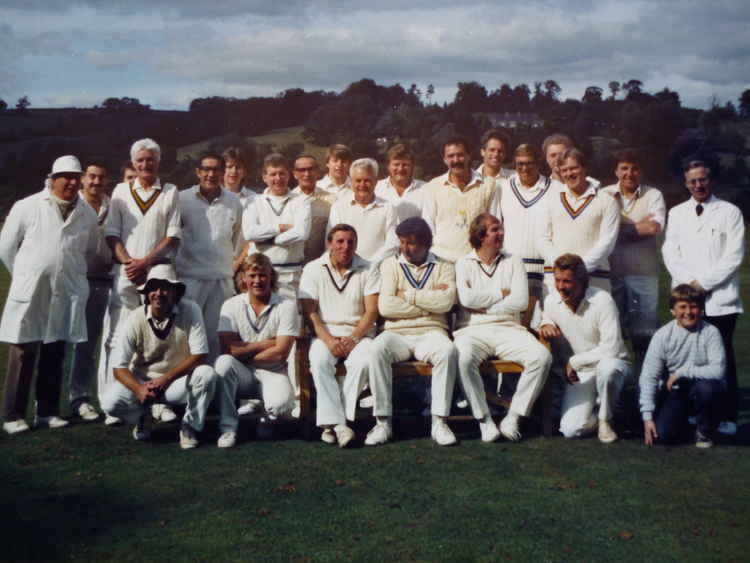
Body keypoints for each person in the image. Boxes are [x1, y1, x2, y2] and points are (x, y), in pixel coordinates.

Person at [1, 156, 98, 434]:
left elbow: (89, 251)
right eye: (65, 176)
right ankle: (13, 415)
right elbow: (6, 247)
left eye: (75, 177)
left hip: (66, 291)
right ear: (52, 178)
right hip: (31, 292)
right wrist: (26, 275)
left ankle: (47, 412)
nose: (71, 181)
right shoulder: (28, 206)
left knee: (55, 350)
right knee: (23, 350)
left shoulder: (87, 213)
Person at [662, 160, 744, 436]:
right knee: (689, 357)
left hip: (720, 299)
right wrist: (689, 286)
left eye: (703, 179)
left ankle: (726, 417)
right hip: (687, 300)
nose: (698, 185)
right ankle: (695, 414)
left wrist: (703, 284)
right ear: (685, 183)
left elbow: (734, 256)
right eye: (692, 181)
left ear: (711, 180)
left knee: (722, 360)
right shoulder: (676, 213)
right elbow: (670, 252)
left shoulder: (730, 212)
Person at [102, 138, 182, 425]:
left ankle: (159, 401)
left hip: (159, 272)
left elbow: (172, 235)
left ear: (158, 162)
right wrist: (128, 262)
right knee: (120, 336)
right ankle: (116, 397)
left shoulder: (171, 191)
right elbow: (112, 233)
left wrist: (145, 262)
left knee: (161, 335)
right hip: (127, 272)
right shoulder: (121, 191)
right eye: (140, 160)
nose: (145, 165)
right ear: (133, 162)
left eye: (150, 160)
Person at [454, 214, 552, 442]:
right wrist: (500, 294)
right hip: (472, 330)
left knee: (542, 357)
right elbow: (466, 299)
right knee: (462, 358)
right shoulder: (463, 263)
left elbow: (519, 301)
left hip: (510, 329)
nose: (501, 234)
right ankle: (484, 420)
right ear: (480, 236)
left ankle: (513, 417)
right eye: (495, 230)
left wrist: (487, 309)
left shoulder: (513, 260)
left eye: (501, 229)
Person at [100, 266, 217, 449]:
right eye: (153, 288)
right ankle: (142, 416)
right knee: (110, 403)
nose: (159, 293)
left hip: (176, 382)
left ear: (175, 292)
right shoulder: (135, 317)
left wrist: (167, 378)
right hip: (144, 383)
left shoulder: (190, 310)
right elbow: (118, 367)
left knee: (206, 374)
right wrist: (139, 389)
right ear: (146, 293)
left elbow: (200, 355)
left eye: (165, 288)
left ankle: (189, 426)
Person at [366, 217, 459, 446]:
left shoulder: (444, 266)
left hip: (432, 332)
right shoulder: (389, 265)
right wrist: (428, 302)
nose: (406, 248)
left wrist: (406, 295)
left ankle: (439, 422)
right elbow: (385, 306)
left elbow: (446, 303)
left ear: (426, 243)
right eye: (403, 242)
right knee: (376, 349)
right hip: (396, 332)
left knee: (447, 351)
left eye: (413, 243)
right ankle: (383, 423)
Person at [299, 224, 379, 447]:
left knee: (364, 361)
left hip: (359, 334)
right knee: (319, 361)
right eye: (340, 241)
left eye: (350, 242)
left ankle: (333, 423)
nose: (345, 246)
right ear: (329, 243)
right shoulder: (313, 268)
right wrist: (328, 340)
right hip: (326, 334)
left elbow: (371, 310)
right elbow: (310, 312)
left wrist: (353, 338)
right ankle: (341, 425)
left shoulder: (369, 268)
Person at [539, 254, 631, 443]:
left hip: (614, 365)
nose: (560, 287)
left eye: (567, 281)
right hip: (581, 373)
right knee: (570, 430)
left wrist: (574, 361)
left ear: (582, 282)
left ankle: (606, 420)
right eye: (557, 280)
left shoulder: (603, 300)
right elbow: (544, 316)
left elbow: (612, 348)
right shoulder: (551, 301)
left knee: (608, 369)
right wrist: (545, 322)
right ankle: (603, 412)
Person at [214, 254, 298, 448]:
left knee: (281, 405)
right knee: (223, 363)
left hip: (273, 370)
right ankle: (228, 428)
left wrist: (244, 351)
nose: (257, 281)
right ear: (243, 277)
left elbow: (281, 353)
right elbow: (227, 349)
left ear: (271, 277)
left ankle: (267, 418)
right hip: (242, 372)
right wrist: (266, 343)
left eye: (262, 275)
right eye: (252, 275)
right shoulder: (231, 305)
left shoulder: (286, 305)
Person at [639, 285, 726, 448]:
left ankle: (704, 431)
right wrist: (647, 417)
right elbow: (649, 376)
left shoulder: (711, 332)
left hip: (703, 387)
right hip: (677, 391)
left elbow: (718, 371)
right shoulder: (662, 335)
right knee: (663, 435)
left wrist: (682, 372)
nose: (688, 312)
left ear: (701, 309)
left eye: (693, 306)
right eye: (682, 307)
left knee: (708, 389)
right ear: (672, 310)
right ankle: (686, 422)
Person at [176, 153, 243, 361]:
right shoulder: (181, 199)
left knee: (216, 339)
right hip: (189, 280)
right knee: (186, 339)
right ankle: (184, 390)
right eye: (206, 169)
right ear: (198, 172)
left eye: (216, 169)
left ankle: (214, 388)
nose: (211, 174)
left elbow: (237, 241)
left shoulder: (234, 202)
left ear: (223, 173)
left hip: (221, 282)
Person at [601, 149, 666, 362]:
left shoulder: (653, 195)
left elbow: (654, 228)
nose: (629, 173)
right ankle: (620, 389)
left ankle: (647, 387)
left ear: (641, 171)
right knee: (612, 337)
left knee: (645, 337)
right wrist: (638, 227)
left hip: (643, 275)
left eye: (634, 168)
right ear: (616, 171)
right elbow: (598, 231)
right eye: (624, 168)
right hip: (610, 276)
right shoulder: (604, 194)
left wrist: (616, 229)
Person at [68, 161, 113, 422]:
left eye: (101, 177)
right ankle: (78, 397)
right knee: (74, 343)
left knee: (100, 342)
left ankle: (102, 398)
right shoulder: (74, 205)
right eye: (92, 177)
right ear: (83, 179)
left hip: (106, 280)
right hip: (77, 280)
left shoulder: (112, 205)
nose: (96, 182)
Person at [538, 148, 619, 291]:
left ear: (585, 168)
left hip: (595, 279)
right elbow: (542, 238)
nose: (569, 174)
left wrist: (580, 269)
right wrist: (562, 268)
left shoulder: (607, 201)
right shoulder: (550, 199)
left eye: (574, 168)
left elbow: (607, 241)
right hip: (557, 280)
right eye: (564, 170)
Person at [498, 144, 557, 324]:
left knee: (542, 324)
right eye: (519, 164)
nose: (524, 168)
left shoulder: (556, 188)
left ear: (538, 162)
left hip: (545, 270)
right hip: (511, 267)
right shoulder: (502, 187)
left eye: (529, 163)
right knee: (513, 324)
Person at [242, 153, 311, 299]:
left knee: (290, 320)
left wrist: (270, 240)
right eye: (273, 174)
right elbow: (249, 233)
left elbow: (301, 232)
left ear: (289, 175)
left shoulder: (302, 201)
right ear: (264, 177)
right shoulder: (253, 201)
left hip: (290, 275)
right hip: (258, 275)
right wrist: (279, 228)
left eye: (282, 173)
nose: (278, 178)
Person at [421, 136, 500, 262]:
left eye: (460, 155)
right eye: (451, 156)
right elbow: (428, 226)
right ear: (444, 159)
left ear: (469, 156)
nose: (456, 160)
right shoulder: (433, 187)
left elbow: (495, 223)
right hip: (441, 260)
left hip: (476, 260)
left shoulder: (489, 185)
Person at [327, 158, 398, 266]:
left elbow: (392, 243)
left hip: (377, 269)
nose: (362, 185)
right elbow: (332, 241)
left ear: (375, 181)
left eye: (367, 180)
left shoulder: (388, 207)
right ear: (351, 182)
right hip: (346, 268)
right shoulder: (339, 207)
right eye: (358, 180)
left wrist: (369, 264)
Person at [291, 154, 336, 263]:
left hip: (321, 262)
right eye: (302, 170)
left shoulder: (332, 200)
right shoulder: (289, 200)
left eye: (311, 169)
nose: (307, 174)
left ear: (318, 172)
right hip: (294, 262)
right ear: (295, 174)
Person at [374, 143, 426, 223]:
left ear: (412, 166)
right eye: (396, 164)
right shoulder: (376, 188)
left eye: (405, 165)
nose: (400, 169)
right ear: (388, 166)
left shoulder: (425, 189)